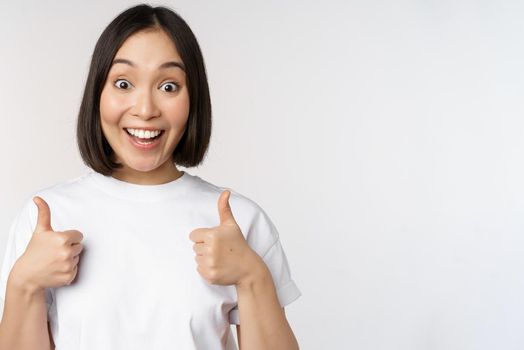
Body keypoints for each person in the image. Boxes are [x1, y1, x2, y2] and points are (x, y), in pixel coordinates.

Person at [0, 4, 301, 350]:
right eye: (124, 83)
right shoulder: (47, 219)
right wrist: (23, 283)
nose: (145, 109)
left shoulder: (238, 222)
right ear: (98, 93)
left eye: (169, 86)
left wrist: (253, 277)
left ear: (193, 100)